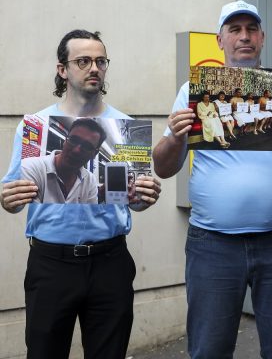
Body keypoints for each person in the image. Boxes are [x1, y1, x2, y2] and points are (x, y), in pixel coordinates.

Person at [153, 0, 272, 358]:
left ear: (263, 37)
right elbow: (162, 167)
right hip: (213, 245)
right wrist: (174, 136)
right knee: (209, 349)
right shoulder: (194, 91)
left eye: (251, 29)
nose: (244, 37)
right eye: (235, 30)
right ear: (220, 40)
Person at [0, 29, 162, 359]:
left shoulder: (125, 127)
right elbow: (13, 197)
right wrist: (7, 200)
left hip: (110, 263)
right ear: (63, 69)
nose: (94, 68)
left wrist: (144, 197)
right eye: (83, 61)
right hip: (51, 264)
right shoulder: (35, 126)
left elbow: (136, 202)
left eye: (101, 61)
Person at [21, 118, 107, 204]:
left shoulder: (90, 180)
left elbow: (89, 215)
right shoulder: (30, 168)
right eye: (73, 140)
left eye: (87, 146)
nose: (76, 150)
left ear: (94, 154)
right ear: (65, 141)